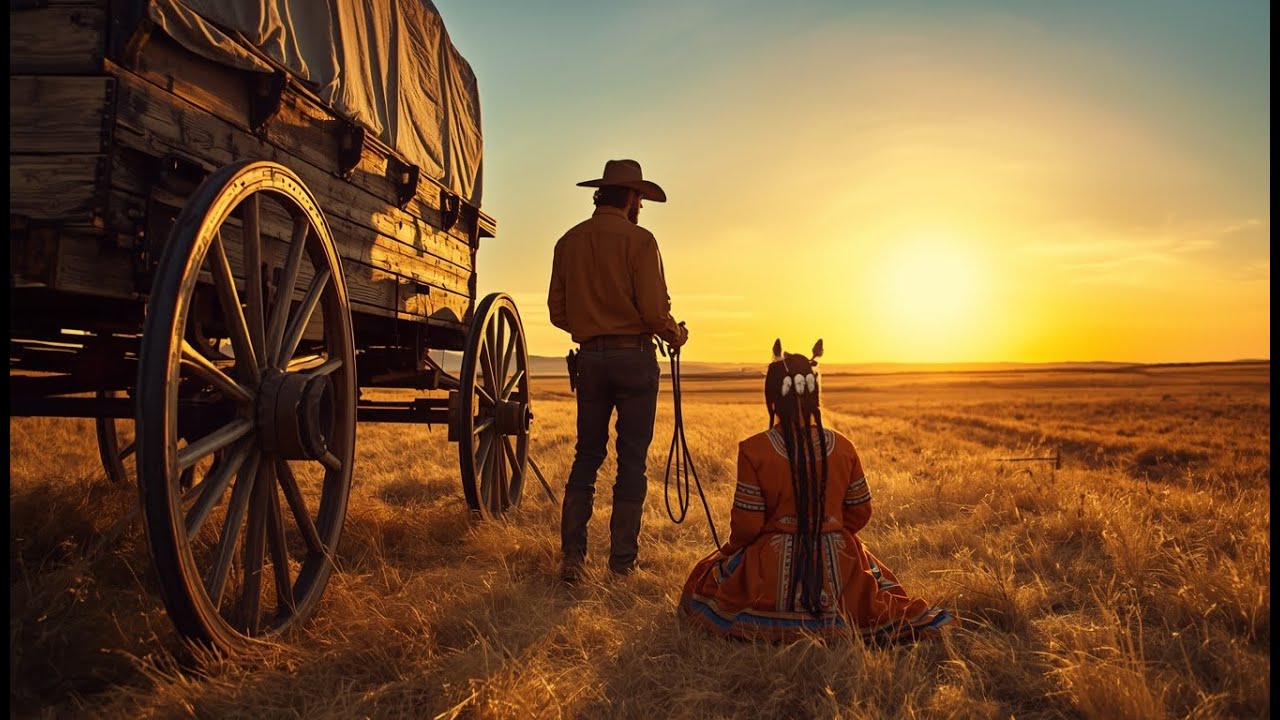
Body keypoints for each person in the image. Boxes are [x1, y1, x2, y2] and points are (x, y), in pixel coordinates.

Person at [677, 338, 956, 642]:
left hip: (769, 561)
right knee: (878, 585)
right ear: (815, 396)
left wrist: (732, 550)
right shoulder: (843, 447)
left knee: (704, 583)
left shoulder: (754, 450)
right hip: (839, 557)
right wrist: (830, 532)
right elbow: (860, 512)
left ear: (773, 397)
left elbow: (747, 525)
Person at [548, 159, 689, 583]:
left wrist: (594, 326)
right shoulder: (641, 241)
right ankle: (622, 564)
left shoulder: (568, 241)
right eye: (640, 198)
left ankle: (573, 559)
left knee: (586, 456)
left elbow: (558, 312)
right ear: (630, 197)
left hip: (589, 359)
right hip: (634, 359)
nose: (640, 205)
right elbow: (652, 310)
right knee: (632, 462)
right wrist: (674, 333)